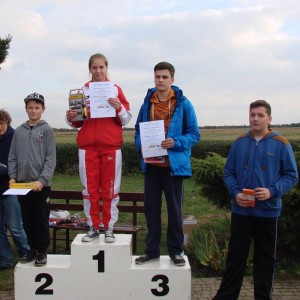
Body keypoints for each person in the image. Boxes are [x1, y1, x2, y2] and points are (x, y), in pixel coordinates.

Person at [213, 100, 298, 299]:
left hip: (267, 211)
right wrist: (235, 193)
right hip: (241, 211)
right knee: (235, 258)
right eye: (252, 115)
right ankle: (225, 296)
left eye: (260, 115)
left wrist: (272, 191)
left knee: (265, 259)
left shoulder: (281, 144)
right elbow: (229, 172)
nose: (255, 119)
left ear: (269, 118)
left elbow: (291, 176)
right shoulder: (240, 142)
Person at [134, 62, 200, 266]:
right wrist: (141, 147)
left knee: (174, 210)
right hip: (152, 166)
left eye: (164, 77)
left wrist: (176, 142)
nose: (160, 80)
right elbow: (137, 131)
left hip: (174, 168)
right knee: (151, 210)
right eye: (157, 77)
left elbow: (194, 135)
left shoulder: (184, 104)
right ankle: (151, 250)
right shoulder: (147, 104)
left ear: (172, 79)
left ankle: (176, 251)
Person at [66, 53, 131, 243]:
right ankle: (93, 227)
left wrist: (118, 107)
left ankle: (109, 227)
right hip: (87, 148)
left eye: (101, 67)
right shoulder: (81, 91)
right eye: (94, 67)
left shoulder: (115, 89)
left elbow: (126, 119)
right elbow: (76, 123)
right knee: (90, 190)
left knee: (110, 190)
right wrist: (70, 116)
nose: (98, 71)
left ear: (106, 68)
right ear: (90, 69)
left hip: (111, 147)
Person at [8, 93, 56, 267]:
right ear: (26, 109)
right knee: (27, 220)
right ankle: (33, 249)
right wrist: (13, 176)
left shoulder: (47, 130)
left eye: (37, 107)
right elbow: (12, 156)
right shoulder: (19, 130)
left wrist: (42, 180)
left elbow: (50, 158)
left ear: (42, 109)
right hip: (21, 184)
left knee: (41, 219)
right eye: (30, 107)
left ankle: (42, 251)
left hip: (40, 185)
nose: (33, 110)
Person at [0, 109, 30, 269]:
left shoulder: (15, 137)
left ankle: (26, 252)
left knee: (15, 226)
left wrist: (4, 169)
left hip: (12, 189)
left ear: (7, 123)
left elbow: (20, 162)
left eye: (2, 123)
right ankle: (5, 260)